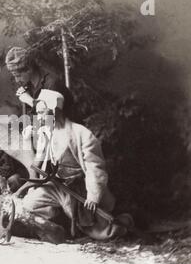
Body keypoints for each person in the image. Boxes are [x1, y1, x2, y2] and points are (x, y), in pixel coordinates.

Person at [16, 90, 133, 240]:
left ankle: (123, 222)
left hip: (79, 188)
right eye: (37, 113)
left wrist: (93, 196)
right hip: (56, 185)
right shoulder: (46, 131)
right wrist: (33, 186)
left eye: (42, 112)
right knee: (28, 205)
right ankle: (58, 222)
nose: (39, 117)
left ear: (55, 111)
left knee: (98, 232)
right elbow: (39, 159)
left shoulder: (82, 134)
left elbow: (94, 168)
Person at [5, 46, 72, 116]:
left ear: (28, 69)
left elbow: (51, 117)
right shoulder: (28, 86)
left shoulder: (51, 83)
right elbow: (31, 116)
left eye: (18, 76)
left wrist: (29, 100)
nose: (16, 80)